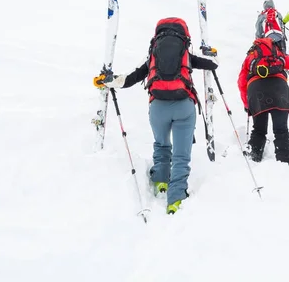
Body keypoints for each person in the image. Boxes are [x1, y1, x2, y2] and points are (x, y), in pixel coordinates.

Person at [93, 17, 218, 215]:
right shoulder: (186, 54)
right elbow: (213, 65)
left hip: (158, 107)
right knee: (181, 155)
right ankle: (175, 199)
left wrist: (109, 81)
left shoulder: (153, 55)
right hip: (184, 107)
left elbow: (131, 78)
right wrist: (213, 56)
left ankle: (160, 180)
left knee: (161, 144)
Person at [237, 38, 289, 165]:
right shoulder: (277, 54)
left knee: (258, 129)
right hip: (279, 90)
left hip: (256, 92)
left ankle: (255, 157)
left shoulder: (250, 58)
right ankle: (284, 162)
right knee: (281, 130)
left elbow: (241, 82)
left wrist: (247, 104)